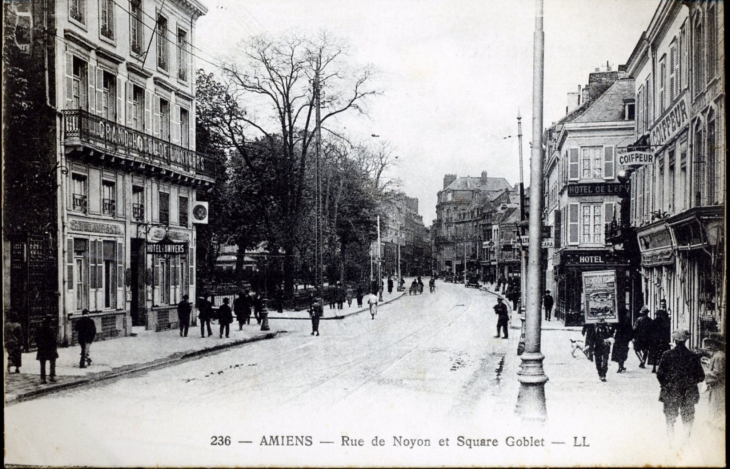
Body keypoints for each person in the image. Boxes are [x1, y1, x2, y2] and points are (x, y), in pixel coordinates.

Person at [656, 329, 705, 444]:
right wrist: (690, 383)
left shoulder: (667, 355)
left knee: (670, 417)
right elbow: (701, 376)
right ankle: (686, 441)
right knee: (688, 417)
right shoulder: (693, 356)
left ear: (675, 340)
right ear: (686, 340)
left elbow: (660, 374)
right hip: (688, 392)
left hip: (671, 391)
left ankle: (670, 441)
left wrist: (666, 385)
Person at [704, 337, 725, 429]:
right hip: (717, 385)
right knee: (715, 404)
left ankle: (718, 425)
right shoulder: (717, 355)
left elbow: (717, 373)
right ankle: (716, 422)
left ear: (715, 345)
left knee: (717, 404)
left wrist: (705, 376)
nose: (708, 347)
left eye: (710, 344)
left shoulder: (719, 357)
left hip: (719, 386)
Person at [650, 299, 671, 373]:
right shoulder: (664, 322)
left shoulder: (655, 321)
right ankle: (660, 367)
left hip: (657, 339)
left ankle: (655, 367)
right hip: (662, 339)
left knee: (656, 353)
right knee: (663, 353)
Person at [35, 315, 58, 384]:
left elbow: (36, 338)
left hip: (42, 348)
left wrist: (39, 345)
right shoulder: (51, 329)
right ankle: (52, 376)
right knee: (52, 362)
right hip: (50, 348)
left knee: (42, 363)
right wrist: (55, 348)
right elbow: (53, 339)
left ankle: (43, 378)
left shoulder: (39, 328)